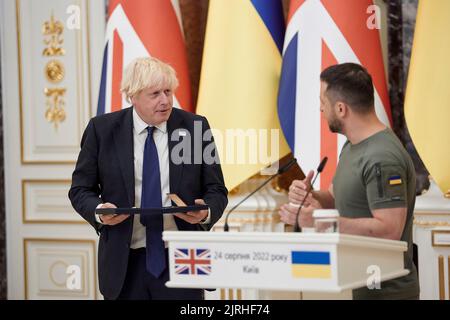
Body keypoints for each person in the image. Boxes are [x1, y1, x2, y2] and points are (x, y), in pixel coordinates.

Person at [69, 57, 228, 300]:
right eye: (155, 94)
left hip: (182, 259)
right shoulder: (102, 130)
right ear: (132, 96)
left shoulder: (195, 127)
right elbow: (80, 190)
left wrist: (205, 212)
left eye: (168, 91)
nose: (165, 101)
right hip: (125, 263)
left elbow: (216, 189)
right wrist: (100, 211)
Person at [279, 63, 420, 300]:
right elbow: (336, 198)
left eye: (323, 102)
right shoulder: (353, 145)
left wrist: (319, 222)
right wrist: (311, 196)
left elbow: (389, 230)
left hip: (388, 292)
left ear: (341, 109)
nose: (320, 109)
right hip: (360, 286)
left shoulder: (381, 157)